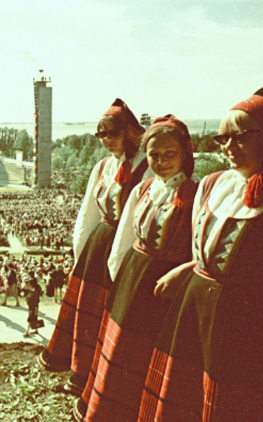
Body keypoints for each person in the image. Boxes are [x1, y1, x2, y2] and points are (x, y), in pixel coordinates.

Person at [140, 82, 263, 421]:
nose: (228, 147)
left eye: (240, 136)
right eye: (222, 138)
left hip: (251, 326)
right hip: (196, 312)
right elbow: (210, 251)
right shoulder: (215, 184)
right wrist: (189, 269)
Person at [73, 115, 198, 421]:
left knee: (154, 354)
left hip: (167, 287)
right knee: (123, 351)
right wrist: (119, 281)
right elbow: (123, 239)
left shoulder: (197, 194)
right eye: (154, 155)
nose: (161, 161)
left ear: (185, 154)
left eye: (170, 154)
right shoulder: (143, 189)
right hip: (134, 279)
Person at [38, 99, 152, 396]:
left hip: (128, 250)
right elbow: (87, 213)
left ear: (129, 132)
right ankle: (80, 373)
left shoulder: (149, 168)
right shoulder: (102, 167)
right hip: (99, 246)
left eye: (111, 134)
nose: (106, 141)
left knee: (114, 317)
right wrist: (80, 254)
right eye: (100, 136)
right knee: (88, 314)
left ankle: (106, 380)